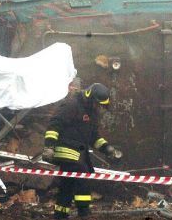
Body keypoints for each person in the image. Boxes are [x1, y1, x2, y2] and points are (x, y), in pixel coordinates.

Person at [42, 83, 122, 219]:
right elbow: (55, 124)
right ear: (90, 99)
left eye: (102, 106)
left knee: (68, 185)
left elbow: (93, 137)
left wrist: (108, 149)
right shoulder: (72, 105)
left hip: (79, 153)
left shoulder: (91, 113)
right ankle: (83, 213)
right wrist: (49, 147)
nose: (100, 108)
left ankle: (60, 214)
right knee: (83, 178)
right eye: (98, 104)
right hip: (66, 150)